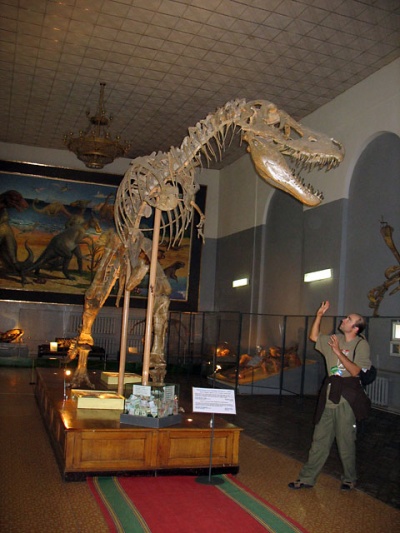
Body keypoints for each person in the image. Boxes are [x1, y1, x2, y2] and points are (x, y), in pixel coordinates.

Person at [288, 300, 372, 491]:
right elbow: (314, 336)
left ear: (356, 328)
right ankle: (307, 478)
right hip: (329, 396)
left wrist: (338, 352)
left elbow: (356, 371)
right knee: (319, 439)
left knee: (345, 441)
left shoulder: (361, 345)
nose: (343, 320)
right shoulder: (335, 338)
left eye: (348, 319)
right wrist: (319, 315)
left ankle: (349, 478)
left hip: (346, 398)